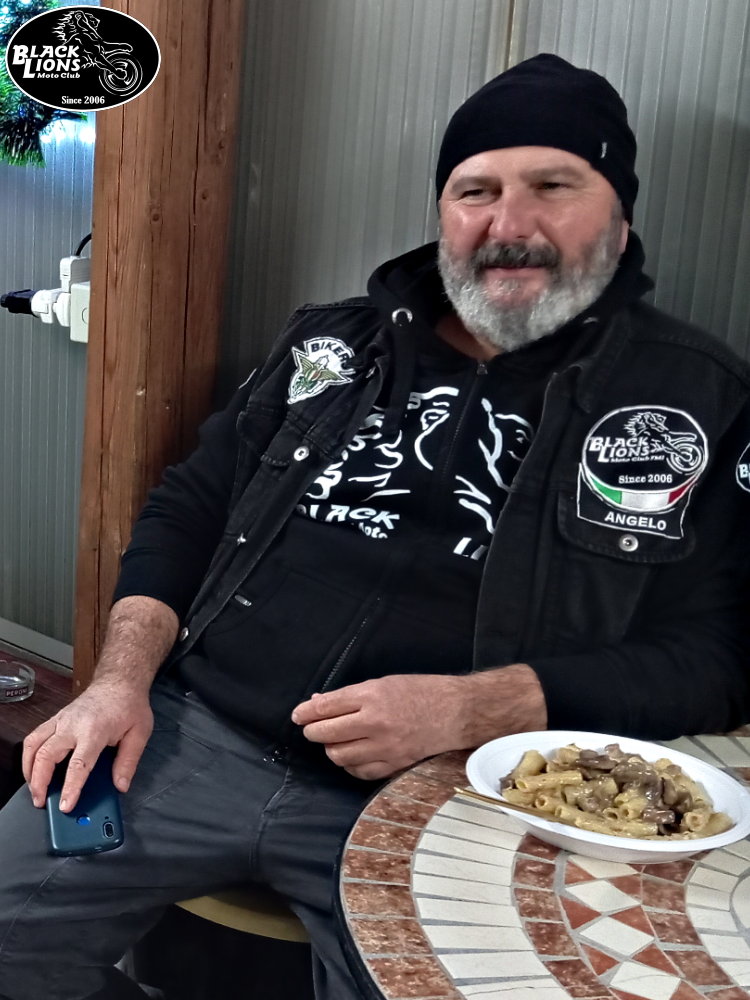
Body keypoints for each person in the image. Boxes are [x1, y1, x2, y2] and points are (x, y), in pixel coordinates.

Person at [1, 53, 749, 1000]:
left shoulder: (697, 398)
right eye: (476, 190)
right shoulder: (331, 343)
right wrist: (117, 681)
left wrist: (480, 710)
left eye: (554, 186)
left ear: (621, 216)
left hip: (456, 793)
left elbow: (722, 658)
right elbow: (188, 507)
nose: (509, 225)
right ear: (443, 212)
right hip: (195, 736)